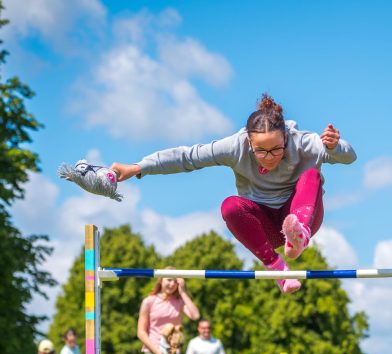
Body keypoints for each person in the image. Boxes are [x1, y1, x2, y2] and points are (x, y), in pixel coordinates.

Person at [109, 93, 357, 294]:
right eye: (261, 151)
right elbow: (187, 157)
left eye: (276, 149)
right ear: (249, 143)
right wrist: (139, 168)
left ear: (286, 138)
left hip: (302, 213)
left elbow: (349, 157)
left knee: (311, 175)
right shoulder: (234, 147)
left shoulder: (304, 142)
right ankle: (276, 267)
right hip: (264, 225)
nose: (269, 158)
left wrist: (334, 147)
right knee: (230, 206)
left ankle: (298, 235)